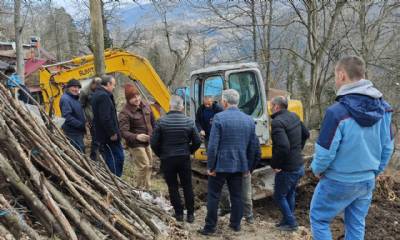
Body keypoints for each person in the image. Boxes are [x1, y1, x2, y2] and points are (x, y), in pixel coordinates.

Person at [310, 56, 394, 240]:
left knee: (319, 220)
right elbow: (388, 147)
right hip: (366, 180)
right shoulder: (385, 109)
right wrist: (375, 171)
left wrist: (316, 169)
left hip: (337, 180)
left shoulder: (336, 112)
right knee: (356, 224)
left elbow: (325, 152)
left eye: (335, 75)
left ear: (341, 75)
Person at [199, 89, 259, 235]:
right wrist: (249, 168)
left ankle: (210, 227)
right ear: (237, 102)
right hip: (240, 165)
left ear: (225, 102)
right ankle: (235, 225)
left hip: (220, 166)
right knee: (236, 195)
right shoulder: (248, 120)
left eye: (221, 101)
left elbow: (212, 146)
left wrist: (210, 166)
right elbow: (255, 148)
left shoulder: (219, 118)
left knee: (214, 196)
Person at [151, 95, 201, 223]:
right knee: (187, 186)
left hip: (167, 159)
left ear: (170, 106)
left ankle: (179, 214)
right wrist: (189, 151)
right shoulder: (189, 121)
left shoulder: (161, 121)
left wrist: (161, 154)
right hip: (184, 158)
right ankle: (190, 215)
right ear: (182, 106)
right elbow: (197, 141)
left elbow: (153, 143)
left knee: (172, 187)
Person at [270, 96, 309, 231]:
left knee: (279, 196)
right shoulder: (294, 116)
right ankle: (286, 221)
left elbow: (283, 147)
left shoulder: (277, 122)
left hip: (287, 168)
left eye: (271, 104)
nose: (270, 106)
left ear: (276, 107)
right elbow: (306, 134)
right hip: (298, 164)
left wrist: (275, 165)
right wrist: (298, 150)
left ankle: (292, 224)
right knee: (290, 193)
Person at [119, 83, 155, 190]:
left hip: (147, 141)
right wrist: (137, 136)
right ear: (128, 99)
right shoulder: (124, 112)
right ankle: (139, 188)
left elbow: (154, 123)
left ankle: (147, 188)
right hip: (135, 143)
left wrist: (155, 135)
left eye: (138, 95)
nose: (137, 98)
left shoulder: (146, 106)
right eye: (133, 97)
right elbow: (123, 131)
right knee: (144, 165)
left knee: (149, 165)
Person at [91, 75, 125, 177]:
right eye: (113, 85)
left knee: (112, 156)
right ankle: (116, 178)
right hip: (109, 136)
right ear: (108, 84)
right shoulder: (103, 96)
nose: (114, 87)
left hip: (103, 134)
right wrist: (112, 132)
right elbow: (105, 117)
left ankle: (114, 178)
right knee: (117, 157)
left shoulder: (97, 94)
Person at [59, 79, 86, 153]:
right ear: (68, 87)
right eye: (74, 87)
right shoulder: (65, 99)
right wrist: (81, 125)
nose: (76, 89)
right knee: (78, 151)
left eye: (78, 87)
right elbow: (67, 116)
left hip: (77, 131)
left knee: (80, 149)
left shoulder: (75, 98)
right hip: (72, 132)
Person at [80, 77, 101, 160]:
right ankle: (94, 158)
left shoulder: (99, 90)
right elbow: (81, 107)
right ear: (93, 84)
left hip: (100, 118)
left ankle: (101, 157)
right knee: (95, 140)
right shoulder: (84, 92)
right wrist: (86, 120)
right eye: (97, 86)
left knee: (101, 139)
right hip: (92, 119)